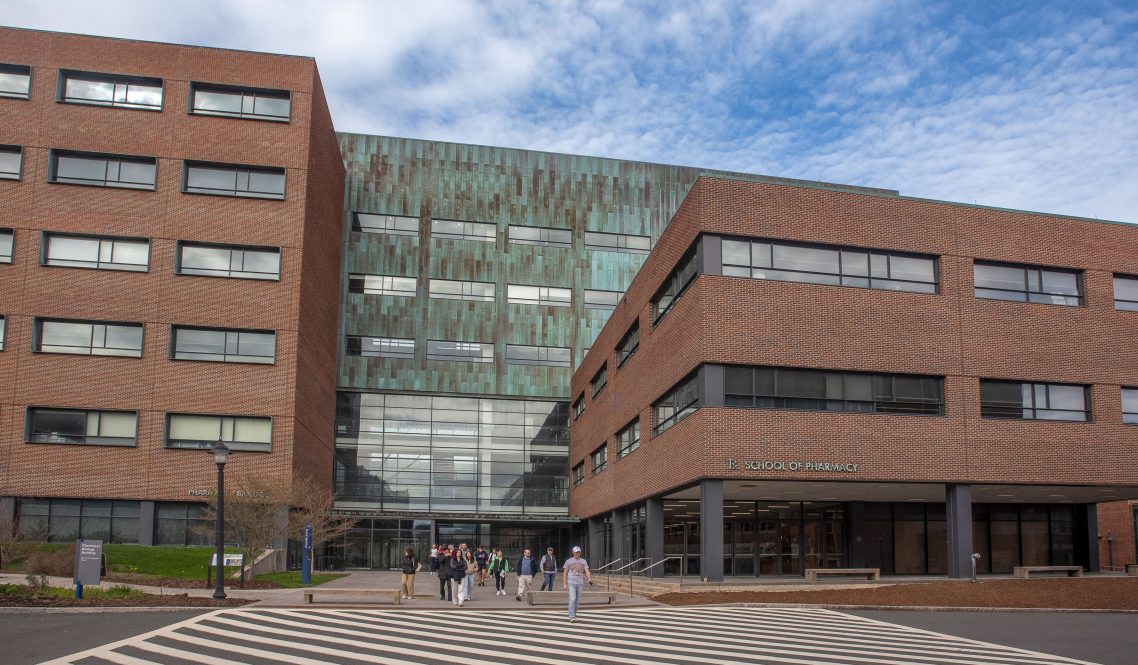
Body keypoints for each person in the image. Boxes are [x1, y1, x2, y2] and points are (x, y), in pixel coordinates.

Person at [562, 546, 592, 622]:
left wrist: (589, 578)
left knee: (577, 600)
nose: (577, 553)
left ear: (580, 552)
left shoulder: (583, 561)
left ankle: (574, 615)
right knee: (572, 599)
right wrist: (565, 584)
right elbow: (565, 573)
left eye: (578, 552)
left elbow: (587, 570)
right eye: (576, 552)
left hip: (580, 583)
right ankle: (571, 616)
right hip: (571, 582)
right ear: (573, 552)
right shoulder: (568, 561)